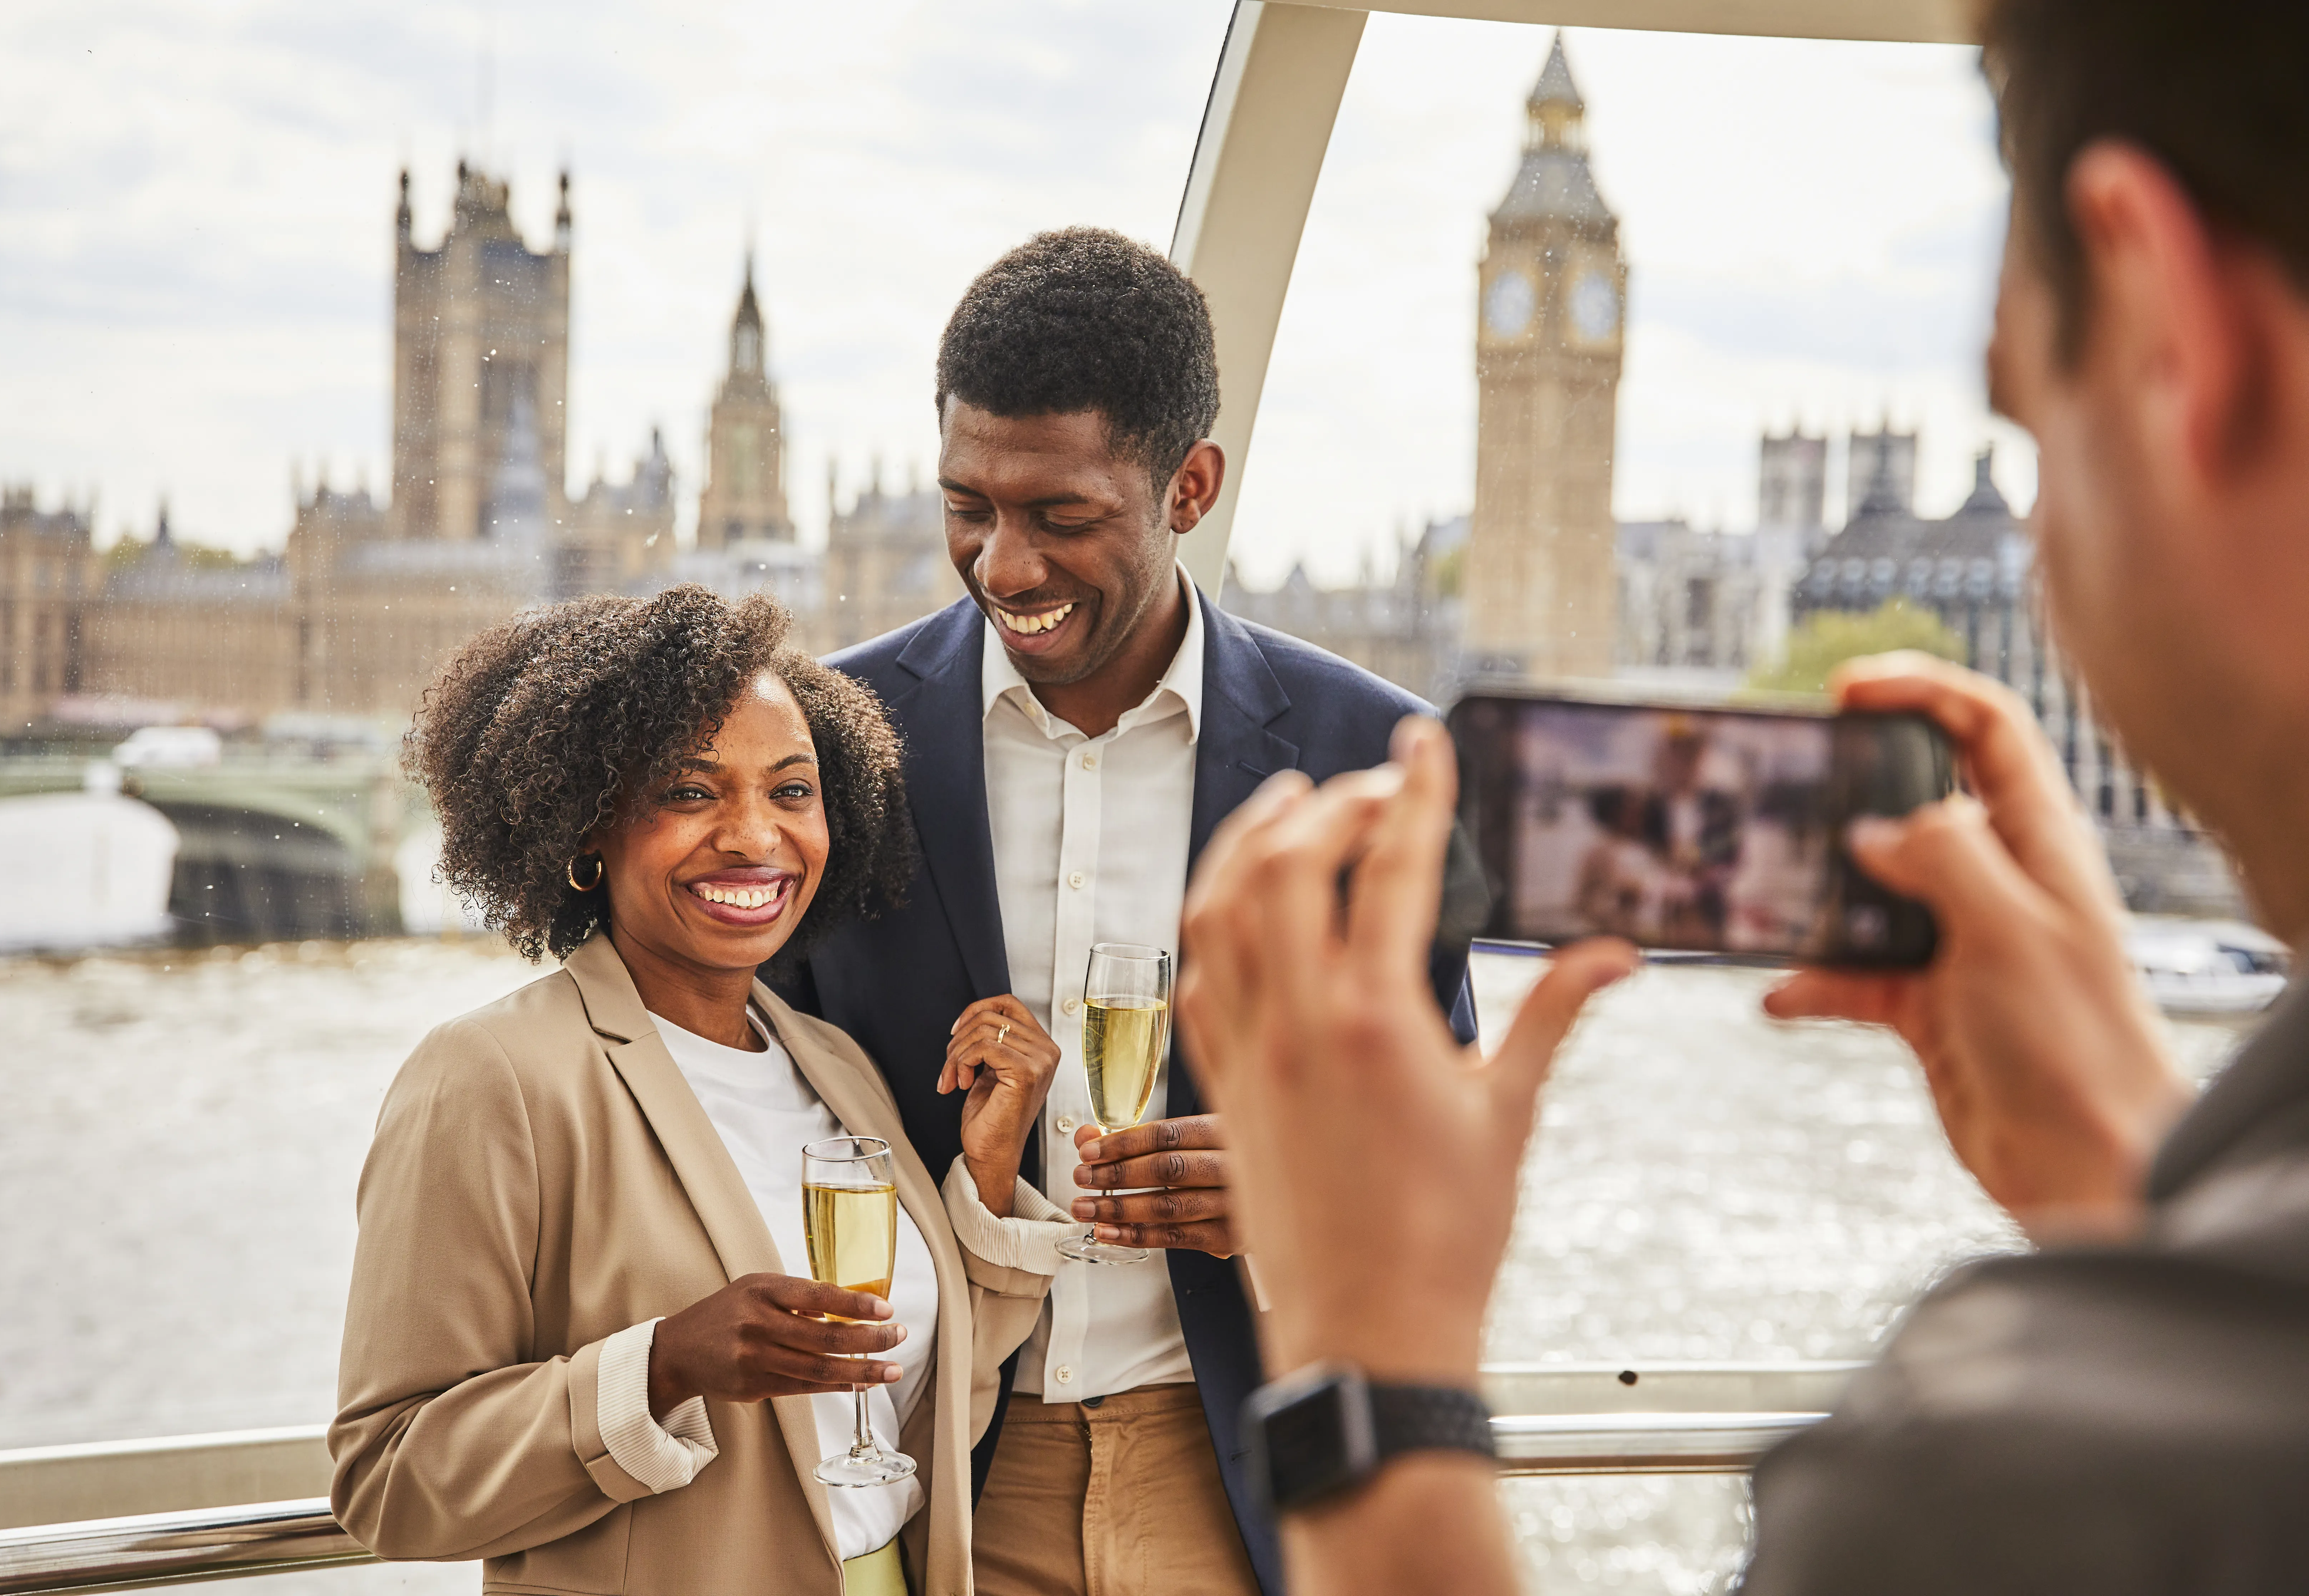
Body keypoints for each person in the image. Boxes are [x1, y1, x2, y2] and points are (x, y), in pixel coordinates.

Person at [1173, 0, 2309, 1590]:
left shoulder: (2020, 1488)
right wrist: (2133, 1170)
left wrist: (1371, 1350)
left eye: (2029, 410)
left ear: (2166, 320)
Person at [764, 227, 1473, 1595]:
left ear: (1189, 485)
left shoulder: (1378, 762)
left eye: (1062, 517)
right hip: (930, 1463)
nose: (1002, 565)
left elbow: (1447, 1134)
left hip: (1244, 1476)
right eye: (967, 504)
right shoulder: (822, 746)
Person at [329, 587, 1084, 1596]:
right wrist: (660, 1368)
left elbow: (919, 1403)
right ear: (586, 827)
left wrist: (987, 1174)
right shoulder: (493, 1077)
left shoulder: (833, 1065)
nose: (754, 837)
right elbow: (390, 1482)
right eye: (691, 793)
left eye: (791, 791)